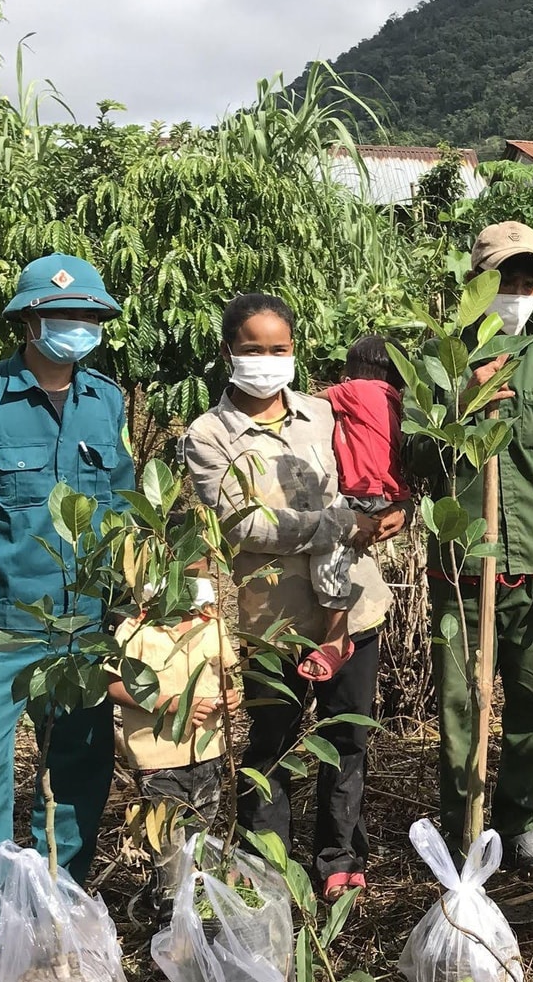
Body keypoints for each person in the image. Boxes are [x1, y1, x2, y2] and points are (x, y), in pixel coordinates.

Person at [0, 253, 134, 974]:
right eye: (61, 316)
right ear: (29, 321)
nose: (76, 329)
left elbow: (125, 514)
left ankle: (57, 904)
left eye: (88, 318)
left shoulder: (107, 400)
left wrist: (134, 609)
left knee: (78, 771)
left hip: (81, 627)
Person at [182, 293, 404, 900]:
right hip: (274, 616)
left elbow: (369, 481)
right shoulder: (208, 435)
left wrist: (392, 514)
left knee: (347, 736)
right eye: (253, 350)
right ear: (229, 352)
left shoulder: (325, 415)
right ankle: (266, 861)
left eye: (279, 350)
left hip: (353, 607)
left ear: (294, 352)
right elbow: (241, 525)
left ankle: (339, 855)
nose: (267, 361)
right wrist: (335, 522)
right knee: (272, 742)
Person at [409, 222, 533, 879]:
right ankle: (464, 826)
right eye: (501, 280)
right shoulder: (440, 360)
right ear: (474, 283)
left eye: (527, 280)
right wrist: (462, 397)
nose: (516, 292)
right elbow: (411, 456)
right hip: (461, 571)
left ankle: (520, 824)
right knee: (461, 708)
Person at [106, 558, 239, 923]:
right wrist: (169, 705)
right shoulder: (136, 630)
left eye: (197, 573)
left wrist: (230, 696)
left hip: (209, 751)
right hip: (158, 757)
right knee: (168, 847)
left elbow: (224, 675)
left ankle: (197, 914)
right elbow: (114, 684)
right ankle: (170, 921)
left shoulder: (211, 625)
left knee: (203, 837)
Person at [308, 335, 410, 683]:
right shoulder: (393, 399)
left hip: (362, 492)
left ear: (351, 373)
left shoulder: (357, 391)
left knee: (331, 554)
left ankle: (336, 636)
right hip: (387, 493)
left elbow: (305, 405)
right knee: (351, 552)